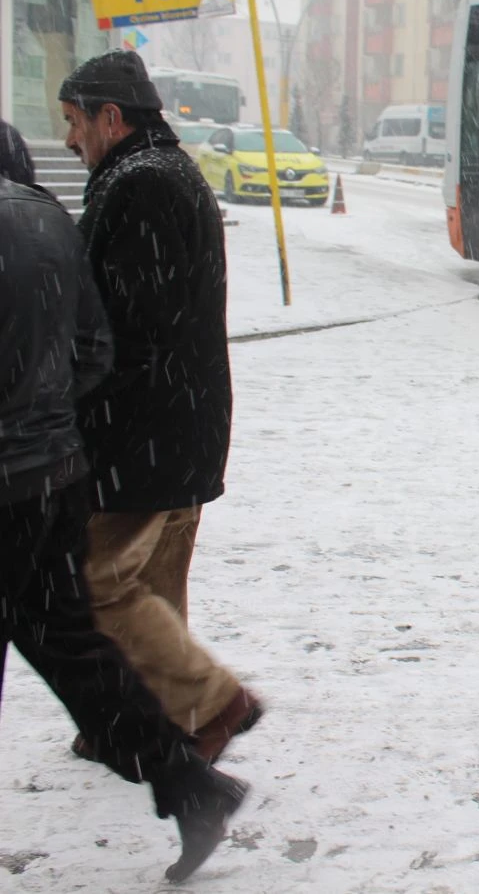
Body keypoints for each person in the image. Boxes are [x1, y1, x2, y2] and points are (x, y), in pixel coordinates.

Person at [0, 173, 248, 882]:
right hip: (50, 477)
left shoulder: (117, 194)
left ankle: (192, 768)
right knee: (76, 649)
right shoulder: (48, 218)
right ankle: (188, 784)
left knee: (81, 640)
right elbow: (94, 349)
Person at [59, 51, 263, 759]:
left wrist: (79, 410)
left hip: (142, 432)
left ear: (111, 118)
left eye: (75, 121)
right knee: (155, 582)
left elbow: (124, 329)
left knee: (91, 580)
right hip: (185, 423)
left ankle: (210, 703)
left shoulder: (139, 185)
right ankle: (160, 719)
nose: (68, 139)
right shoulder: (169, 174)